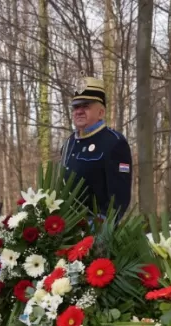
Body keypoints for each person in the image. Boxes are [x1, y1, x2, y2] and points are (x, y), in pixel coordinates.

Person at [60, 77, 132, 220]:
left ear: (101, 112)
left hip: (96, 226)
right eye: (76, 107)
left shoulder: (114, 142)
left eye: (86, 106)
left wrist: (102, 225)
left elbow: (119, 197)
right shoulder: (69, 143)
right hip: (67, 225)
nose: (79, 111)